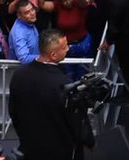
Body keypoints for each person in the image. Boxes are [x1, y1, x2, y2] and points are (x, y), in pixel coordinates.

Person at [9, 28, 82, 160]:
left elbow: (13, 112)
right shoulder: (63, 83)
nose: (68, 49)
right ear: (53, 54)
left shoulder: (18, 75)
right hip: (58, 149)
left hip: (29, 145)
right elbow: (74, 120)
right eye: (65, 47)